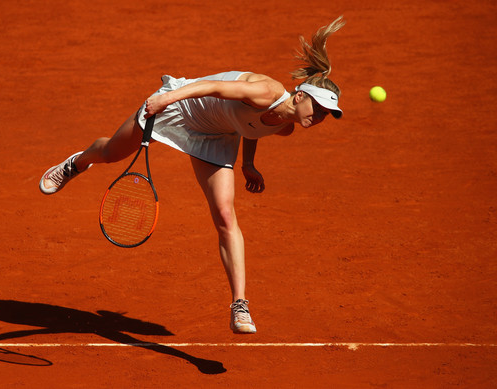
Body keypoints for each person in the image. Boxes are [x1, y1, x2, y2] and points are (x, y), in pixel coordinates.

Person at [39, 16, 345, 334]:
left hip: (215, 137)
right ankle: (76, 163)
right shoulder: (268, 90)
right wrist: (167, 96)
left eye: (327, 114)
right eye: (318, 108)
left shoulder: (285, 127)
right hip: (182, 107)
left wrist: (247, 164)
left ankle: (239, 304)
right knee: (111, 153)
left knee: (225, 215)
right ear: (298, 96)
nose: (320, 117)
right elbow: (213, 87)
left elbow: (251, 126)